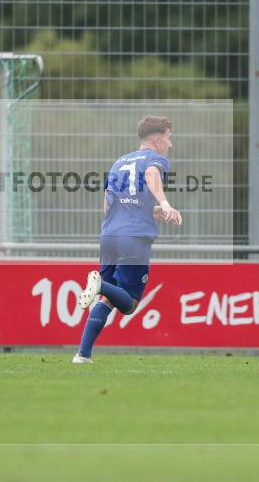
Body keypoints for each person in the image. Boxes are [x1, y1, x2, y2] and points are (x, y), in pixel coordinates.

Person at [72, 116, 182, 364]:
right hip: (133, 239)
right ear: (157, 139)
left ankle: (83, 355)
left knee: (108, 299)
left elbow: (108, 204)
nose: (170, 144)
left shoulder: (119, 162)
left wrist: (153, 212)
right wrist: (164, 203)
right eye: (168, 138)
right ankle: (99, 284)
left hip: (109, 236)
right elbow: (152, 174)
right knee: (129, 303)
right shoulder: (156, 159)